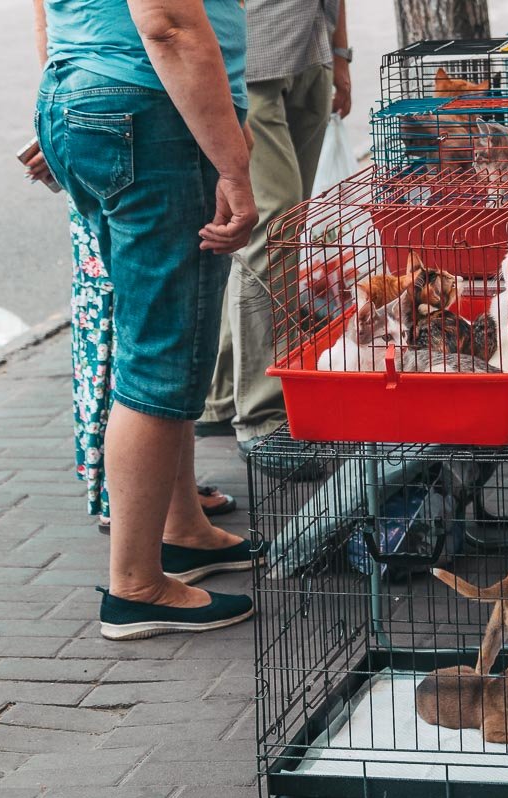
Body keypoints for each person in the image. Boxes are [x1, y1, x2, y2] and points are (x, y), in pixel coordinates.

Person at [33, 0, 259, 639]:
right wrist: (234, 168)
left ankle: (179, 529)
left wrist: (71, 90)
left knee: (161, 334)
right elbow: (169, 22)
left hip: (99, 93)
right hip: (152, 109)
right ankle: (136, 585)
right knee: (165, 353)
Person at [198, 0, 352, 470]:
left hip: (311, 49)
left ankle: (220, 394)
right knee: (275, 229)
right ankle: (262, 417)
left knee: (285, 226)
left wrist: (340, 54)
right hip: (252, 59)